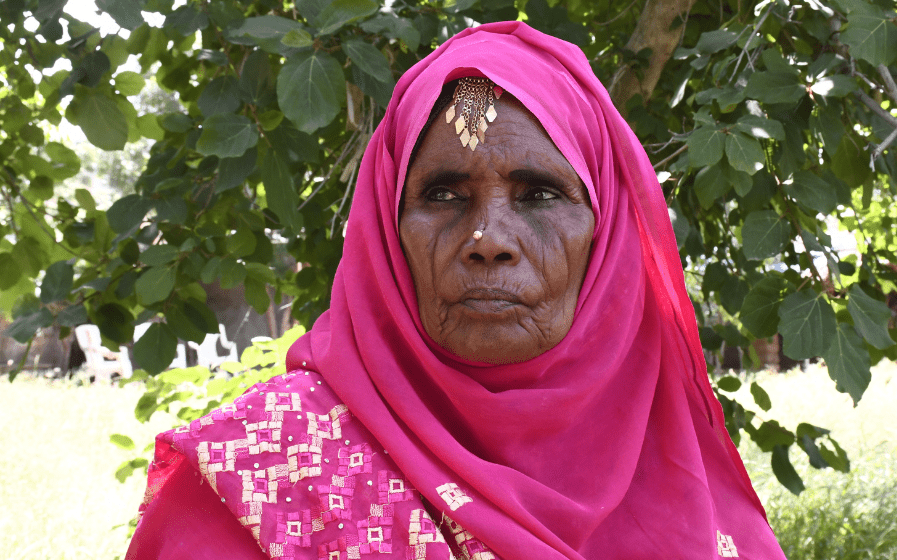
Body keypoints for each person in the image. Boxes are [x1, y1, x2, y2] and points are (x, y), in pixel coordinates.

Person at [126, 21, 786, 560]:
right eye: (443, 194)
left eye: (540, 193)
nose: (488, 238)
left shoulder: (672, 459)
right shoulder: (266, 474)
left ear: (605, 233)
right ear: (387, 232)